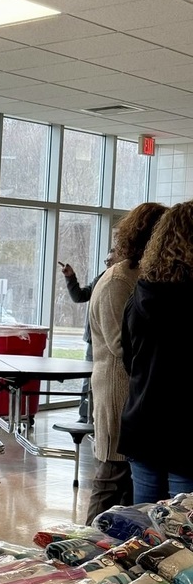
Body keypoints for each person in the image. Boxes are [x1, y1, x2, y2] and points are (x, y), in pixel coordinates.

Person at [86, 203, 166, 522]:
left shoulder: (141, 276)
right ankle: (79, 550)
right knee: (110, 478)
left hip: (133, 392)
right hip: (118, 393)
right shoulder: (120, 280)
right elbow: (123, 346)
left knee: (123, 483)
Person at [119, 200, 193, 504]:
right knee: (186, 532)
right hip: (187, 429)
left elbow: (128, 360)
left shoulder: (139, 297)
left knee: (145, 529)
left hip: (143, 423)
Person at [59, 250, 115, 422]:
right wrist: (71, 277)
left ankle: (104, 416)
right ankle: (85, 416)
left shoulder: (124, 280)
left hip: (111, 339)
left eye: (111, 258)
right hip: (94, 338)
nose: (107, 261)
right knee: (88, 378)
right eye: (106, 259)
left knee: (106, 379)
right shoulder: (101, 278)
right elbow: (79, 296)